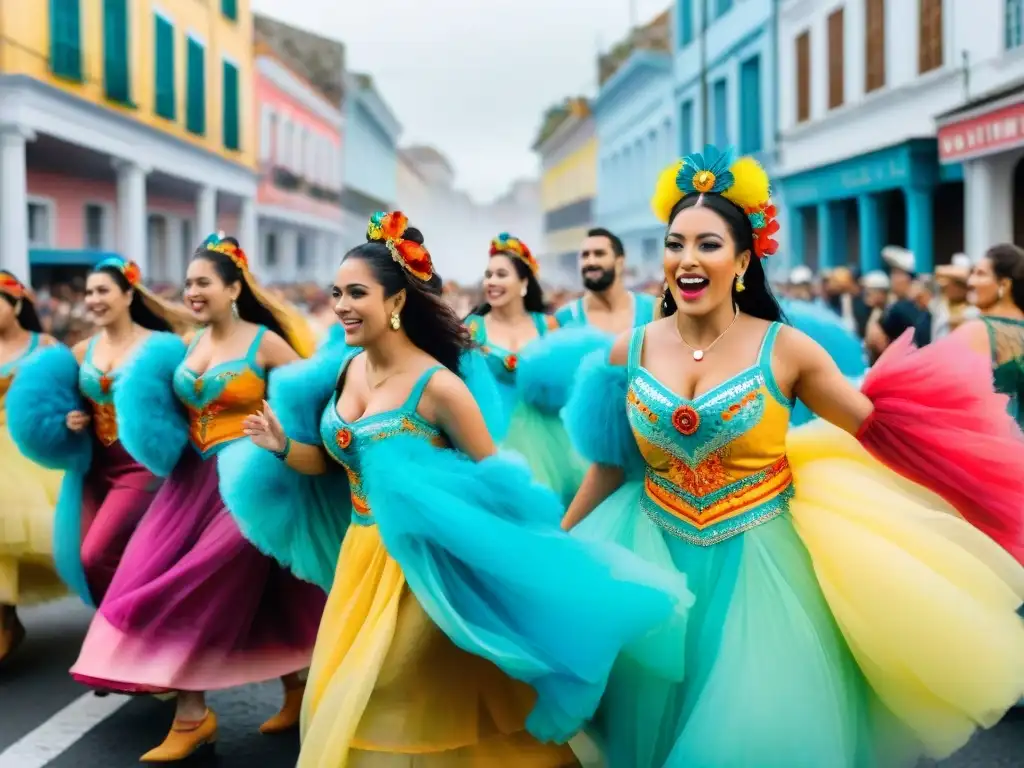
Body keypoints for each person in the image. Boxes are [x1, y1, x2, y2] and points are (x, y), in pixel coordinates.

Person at [561, 145, 1024, 767]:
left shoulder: (789, 350)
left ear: (743, 259)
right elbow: (610, 467)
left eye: (707, 245)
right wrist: (553, 553)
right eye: (675, 244)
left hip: (765, 572)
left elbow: (884, 432)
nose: (687, 260)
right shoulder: (627, 351)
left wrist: (979, 492)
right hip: (650, 562)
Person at [219, 211, 689, 767]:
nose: (341, 305)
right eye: (336, 292)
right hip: (360, 562)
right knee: (350, 696)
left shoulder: (440, 386)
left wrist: (524, 555)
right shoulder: (346, 374)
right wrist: (280, 446)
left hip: (424, 572)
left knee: (396, 693)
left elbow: (494, 481)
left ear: (395, 303)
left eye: (357, 293)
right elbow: (328, 463)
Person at [69, 235, 324, 762]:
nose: (192, 291)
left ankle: (213, 708)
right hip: (189, 482)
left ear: (234, 288)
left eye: (203, 282)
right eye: (187, 284)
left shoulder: (266, 344)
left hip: (248, 483)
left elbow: (309, 403)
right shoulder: (189, 344)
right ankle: (202, 714)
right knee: (158, 576)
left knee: (200, 582)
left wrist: (286, 445)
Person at [7, 258, 192, 606]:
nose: (93, 299)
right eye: (89, 292)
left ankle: (131, 626)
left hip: (141, 467)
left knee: (96, 554)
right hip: (95, 468)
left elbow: (187, 402)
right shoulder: (80, 351)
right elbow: (68, 403)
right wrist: (69, 420)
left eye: (103, 290)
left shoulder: (162, 347)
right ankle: (126, 631)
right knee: (85, 560)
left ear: (127, 294)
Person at [464, 233, 588, 501]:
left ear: (523, 282)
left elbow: (570, 385)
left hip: (550, 443)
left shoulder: (548, 326)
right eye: (488, 275)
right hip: (491, 439)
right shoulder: (472, 329)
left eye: (501, 274)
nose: (492, 282)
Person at [0, 271, 63, 665]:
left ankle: (5, 620)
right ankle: (5, 619)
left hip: (26, 449)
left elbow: (66, 397)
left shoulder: (45, 347)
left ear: (17, 303)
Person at [954, 243, 1024, 426]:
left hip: (997, 445)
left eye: (980, 274)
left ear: (1004, 284)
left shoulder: (978, 331)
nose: (970, 282)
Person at [554, 227, 656, 332]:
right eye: (585, 255)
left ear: (620, 262)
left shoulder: (652, 309)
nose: (591, 262)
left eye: (599, 254)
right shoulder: (564, 318)